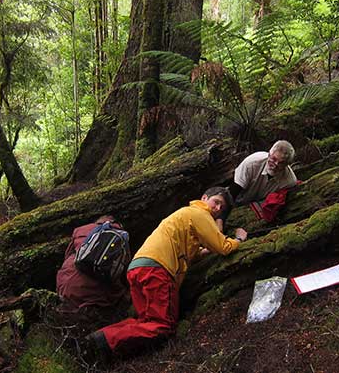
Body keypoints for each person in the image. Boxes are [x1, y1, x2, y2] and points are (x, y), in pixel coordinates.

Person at [85, 187, 247, 360]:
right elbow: (223, 246)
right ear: (204, 198)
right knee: (163, 325)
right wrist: (238, 239)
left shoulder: (185, 215)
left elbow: (190, 253)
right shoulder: (200, 214)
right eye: (216, 202)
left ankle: (98, 341)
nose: (217, 209)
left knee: (146, 321)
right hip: (158, 270)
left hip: (138, 268)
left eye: (221, 208)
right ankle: (104, 341)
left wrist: (203, 252)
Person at [56, 215, 128, 312]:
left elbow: (67, 255)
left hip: (65, 287)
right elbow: (122, 272)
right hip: (94, 298)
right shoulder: (122, 239)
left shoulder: (81, 230)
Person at [228, 140, 299, 222]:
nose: (275, 165)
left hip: (256, 210)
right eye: (273, 159)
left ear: (287, 165)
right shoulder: (252, 163)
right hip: (236, 199)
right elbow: (233, 191)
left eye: (281, 163)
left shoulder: (289, 181)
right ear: (269, 154)